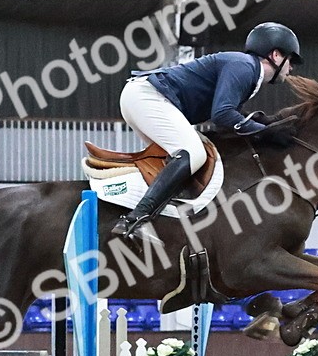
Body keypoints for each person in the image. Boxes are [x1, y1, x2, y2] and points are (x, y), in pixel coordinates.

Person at [112, 22, 303, 241]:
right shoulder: (245, 67)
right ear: (276, 55)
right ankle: (135, 220)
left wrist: (265, 126)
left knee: (178, 164)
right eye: (291, 60)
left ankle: (157, 221)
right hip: (147, 96)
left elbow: (230, 119)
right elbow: (222, 115)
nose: (291, 69)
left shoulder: (247, 71)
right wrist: (266, 132)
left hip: (143, 96)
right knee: (193, 152)